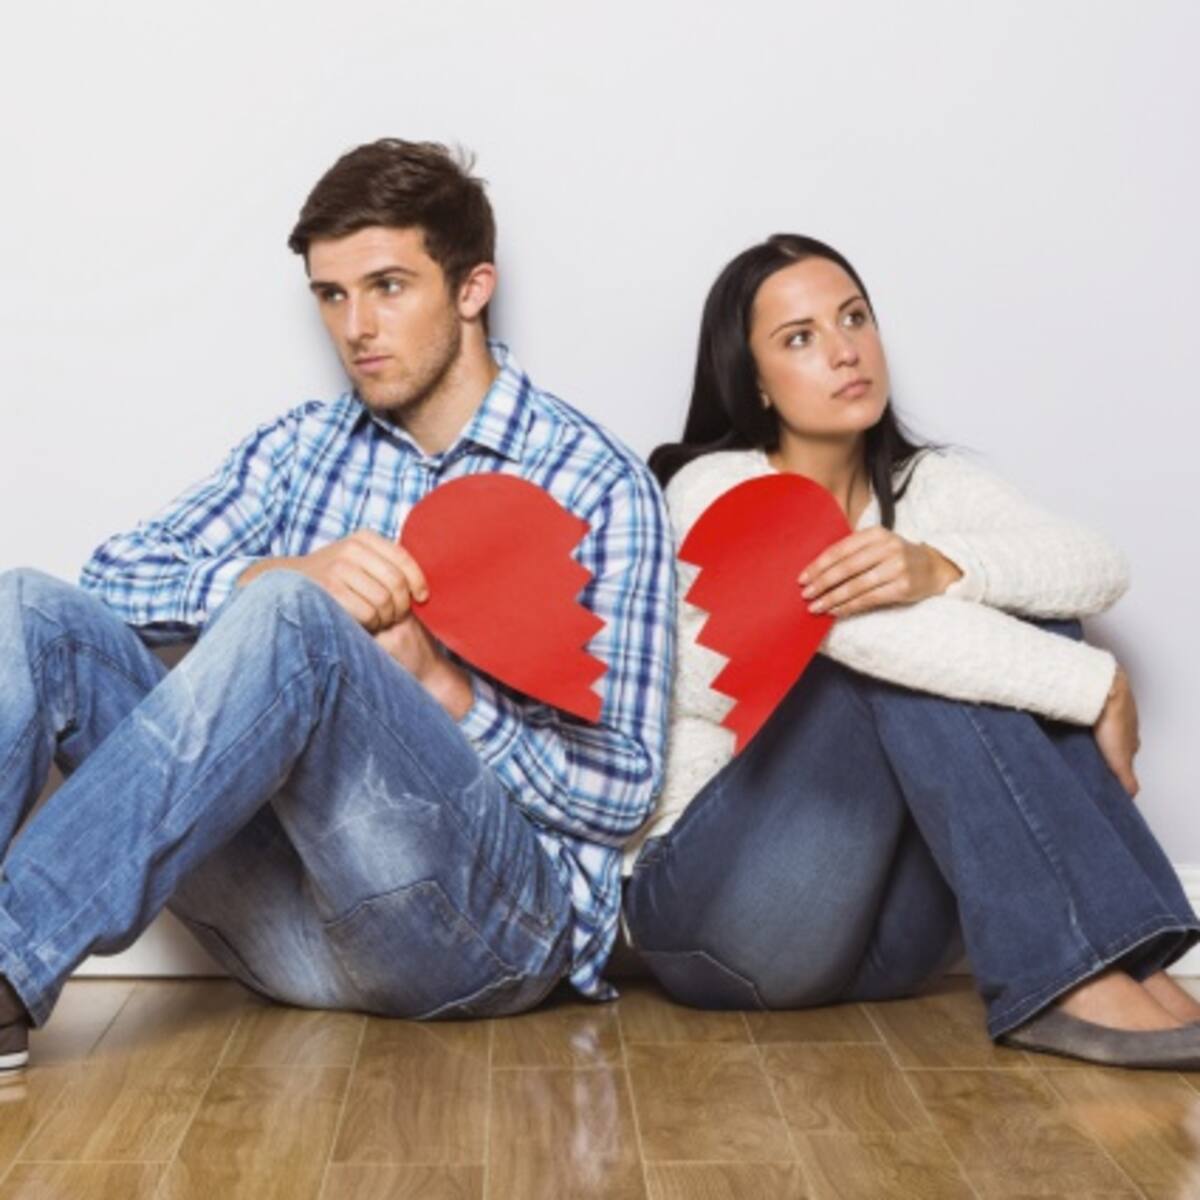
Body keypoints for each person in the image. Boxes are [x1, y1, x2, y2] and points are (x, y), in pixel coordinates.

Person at [0, 139, 674, 1074]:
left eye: (388, 286)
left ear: (472, 288)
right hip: (283, 924)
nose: (356, 326)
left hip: (480, 938)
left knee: (293, 621)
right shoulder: (304, 448)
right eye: (331, 294)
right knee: (30, 609)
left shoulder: (596, 484)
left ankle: (8, 965)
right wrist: (281, 571)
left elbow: (625, 790)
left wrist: (439, 685)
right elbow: (112, 574)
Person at [621, 233, 1200, 1069]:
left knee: (1023, 618)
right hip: (718, 917)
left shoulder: (929, 485)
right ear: (755, 382)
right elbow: (858, 635)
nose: (844, 350)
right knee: (904, 660)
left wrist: (945, 566)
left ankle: (1126, 957)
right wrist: (1097, 683)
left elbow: (1096, 566)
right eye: (800, 338)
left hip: (881, 941)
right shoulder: (718, 489)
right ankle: (1075, 973)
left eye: (854, 318)